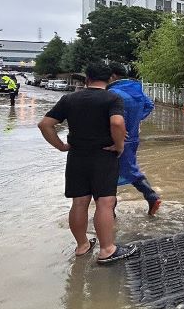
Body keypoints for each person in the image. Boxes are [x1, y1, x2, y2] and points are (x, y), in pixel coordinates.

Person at [37, 62, 137, 265]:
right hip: (103, 156)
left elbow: (45, 124)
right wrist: (119, 146)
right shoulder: (112, 98)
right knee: (105, 202)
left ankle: (82, 245)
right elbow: (117, 123)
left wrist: (61, 146)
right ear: (110, 80)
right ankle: (107, 250)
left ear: (87, 79)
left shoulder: (69, 99)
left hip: (76, 157)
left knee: (79, 202)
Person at [107, 62, 161, 216]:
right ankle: (111, 211)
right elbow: (149, 105)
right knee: (127, 168)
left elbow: (114, 120)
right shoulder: (135, 90)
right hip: (133, 137)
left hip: (116, 138)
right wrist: (135, 120)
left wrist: (122, 127)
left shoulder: (112, 93)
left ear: (113, 76)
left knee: (111, 173)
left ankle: (111, 212)